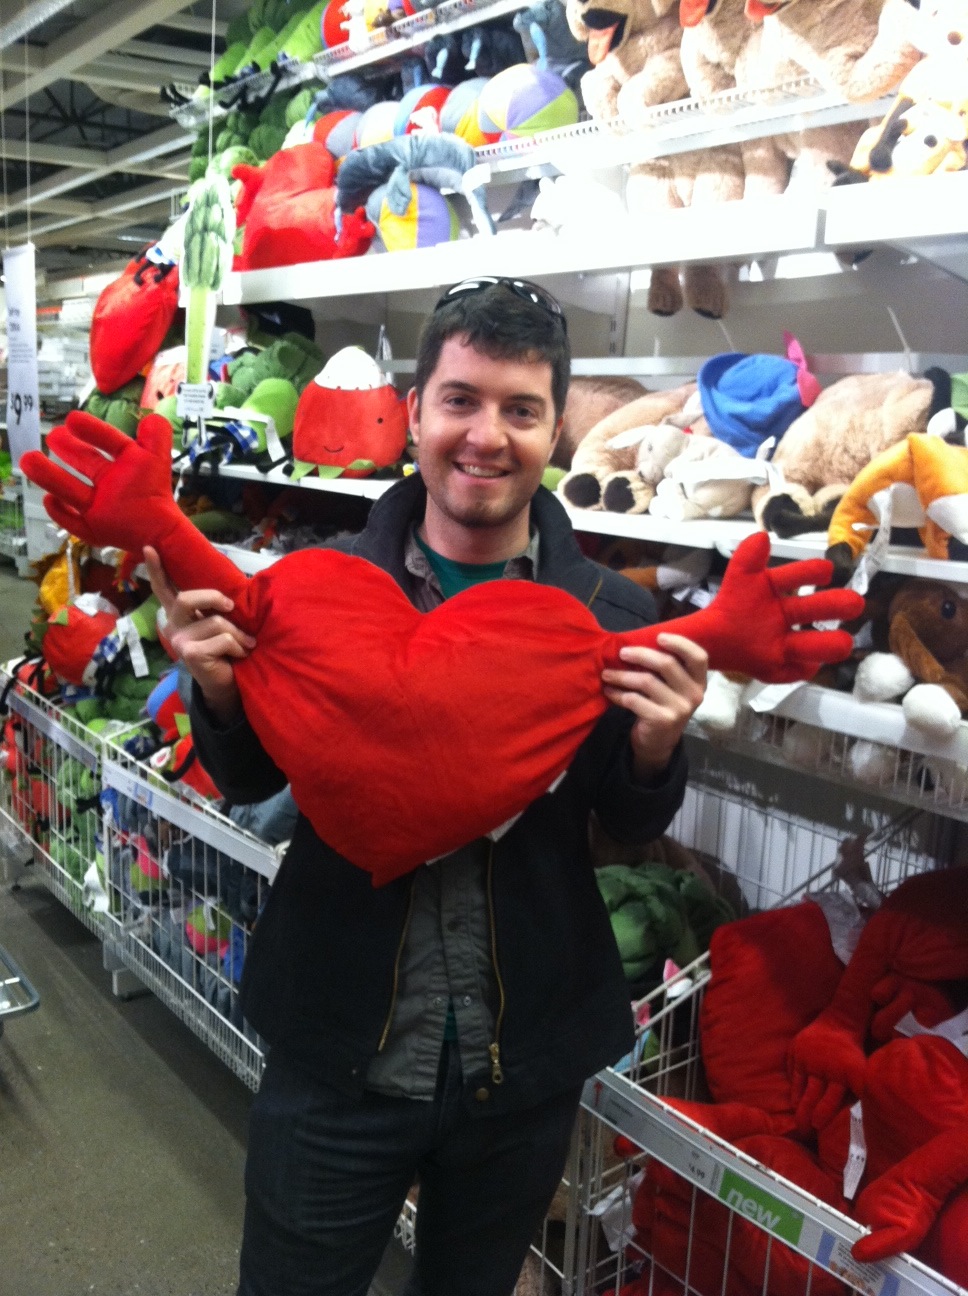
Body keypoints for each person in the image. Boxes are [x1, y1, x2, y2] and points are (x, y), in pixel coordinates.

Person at [145, 276, 708, 1296]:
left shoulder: (608, 611)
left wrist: (655, 749)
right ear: (413, 415)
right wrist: (221, 686)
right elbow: (252, 779)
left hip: (521, 1051)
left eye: (519, 408)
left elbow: (626, 828)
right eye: (459, 400)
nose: (484, 436)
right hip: (339, 1039)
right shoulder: (315, 585)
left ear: (554, 433)